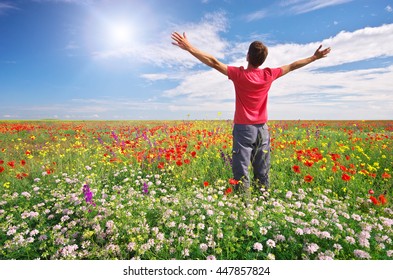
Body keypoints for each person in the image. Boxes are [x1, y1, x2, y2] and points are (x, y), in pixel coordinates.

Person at [171, 32, 330, 198]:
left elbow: (213, 62)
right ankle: (264, 201)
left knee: (241, 170)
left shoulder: (239, 75)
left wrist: (189, 48)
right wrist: (314, 58)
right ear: (263, 60)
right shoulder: (268, 75)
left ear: (247, 56)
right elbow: (292, 66)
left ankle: (244, 205)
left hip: (243, 129)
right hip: (263, 130)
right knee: (262, 170)